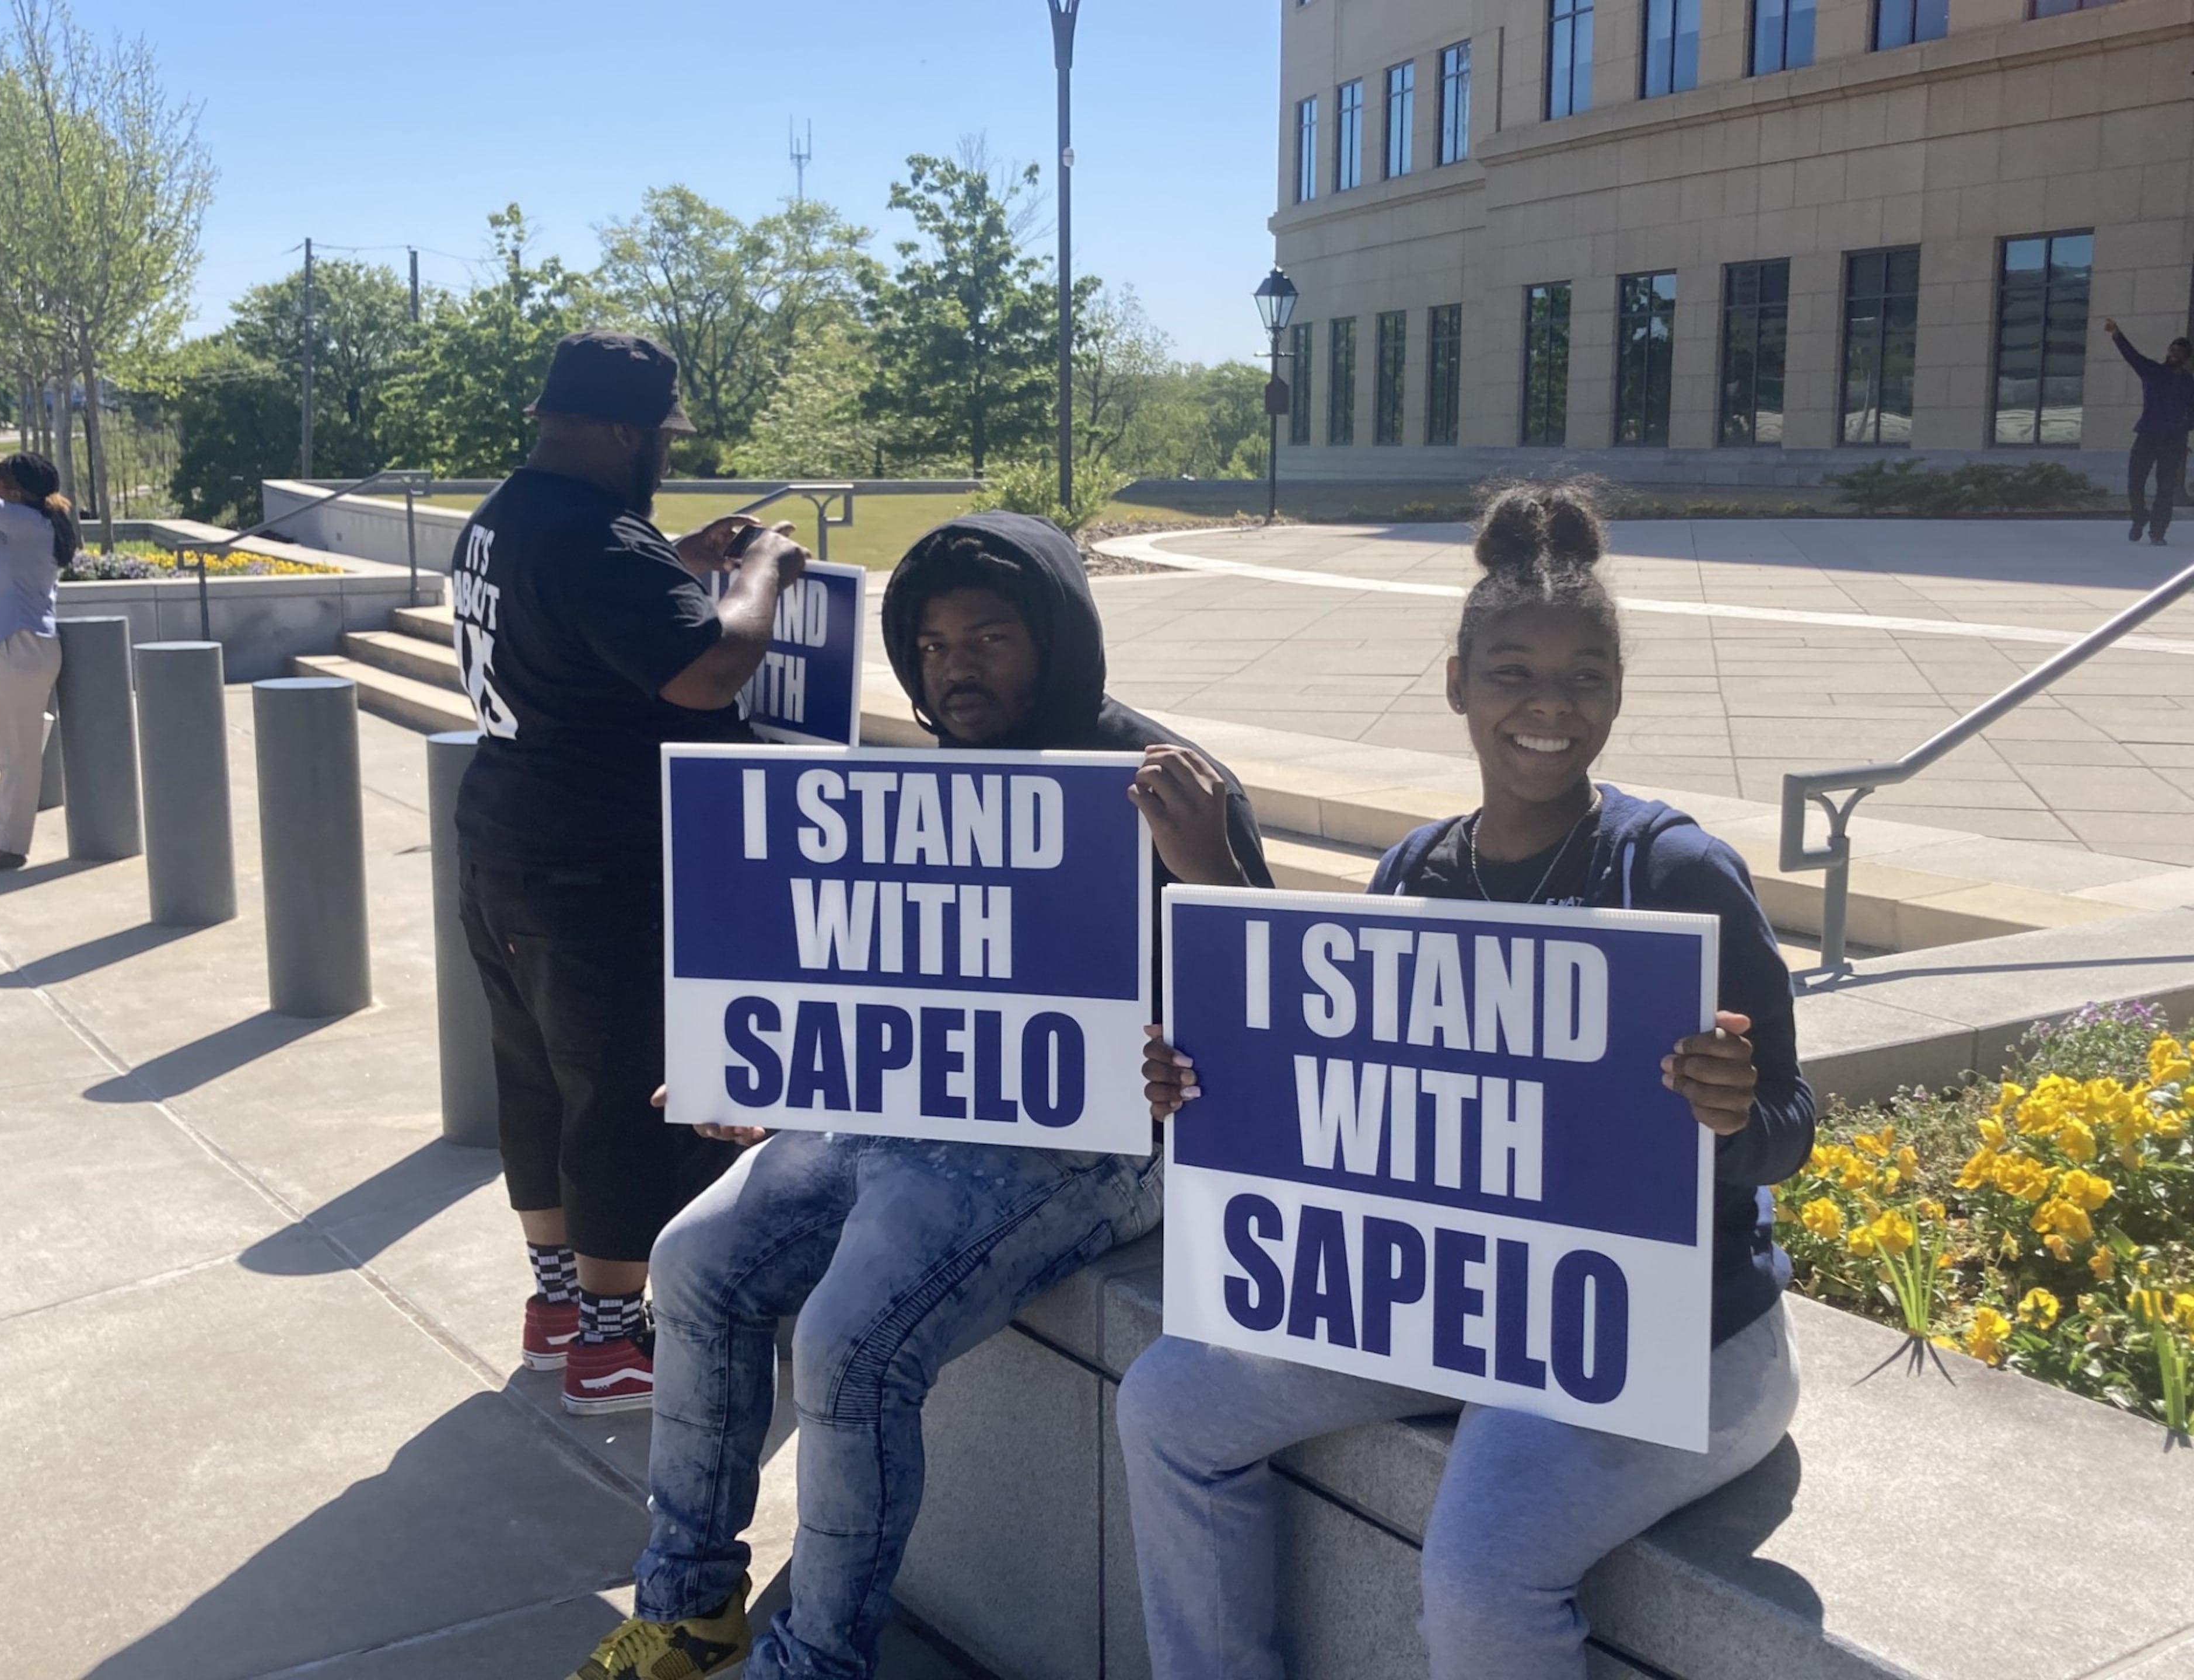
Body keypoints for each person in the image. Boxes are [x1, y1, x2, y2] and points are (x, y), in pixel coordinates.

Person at [1115, 481, 1814, 1680]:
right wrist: (1205, 1090)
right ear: (1458, 683)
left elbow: (1792, 1128)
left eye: (1585, 677)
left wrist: (1733, 1110)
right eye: (1514, 674)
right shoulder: (1412, 872)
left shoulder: (1677, 872)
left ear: (1617, 691)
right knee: (1168, 1401)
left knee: (1480, 1567)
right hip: (1455, 1305)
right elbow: (1346, 1116)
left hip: (1674, 1336)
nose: (1550, 706)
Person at [567, 512, 1275, 1680]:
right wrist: (773, 1070)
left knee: (851, 1345)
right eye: (935, 644)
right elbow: (867, 983)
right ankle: (689, 1607)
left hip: (1093, 1148)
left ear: (1055, 636)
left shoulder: (1159, 781)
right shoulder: (921, 784)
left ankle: (821, 1659)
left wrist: (1202, 918)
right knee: (694, 1263)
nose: (958, 665)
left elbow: (1274, 1016)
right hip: (911, 1115)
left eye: (990, 637)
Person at [453, 330, 812, 1415]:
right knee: (619, 1092)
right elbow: (708, 670)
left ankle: (559, 1304)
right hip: (595, 865)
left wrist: (680, 559)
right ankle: (612, 1345)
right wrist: (760, 575)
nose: (664, 451)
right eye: (659, 435)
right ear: (620, 432)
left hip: (506, 842)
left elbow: (587, 608)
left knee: (535, 1081)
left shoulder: (506, 518)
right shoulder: (591, 542)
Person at [0, 452, 76, 874]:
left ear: (16, 492)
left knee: (19, 758)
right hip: (21, 650)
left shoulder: (27, 525)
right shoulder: (28, 525)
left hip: (21, 650)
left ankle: (10, 847)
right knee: (15, 755)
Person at [2103, 317, 2194, 546]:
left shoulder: (2189, 383)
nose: (2174, 353)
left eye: (2179, 351)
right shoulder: (2152, 371)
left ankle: (2158, 532)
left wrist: (2184, 429)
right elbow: (2132, 356)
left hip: (2173, 441)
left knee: (2165, 489)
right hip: (2147, 436)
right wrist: (2117, 334)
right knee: (2135, 483)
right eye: (2172, 349)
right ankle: (2139, 517)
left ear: (2185, 358)